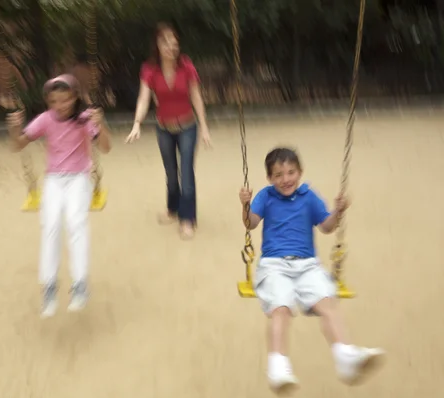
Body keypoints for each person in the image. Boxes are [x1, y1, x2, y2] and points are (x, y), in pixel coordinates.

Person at [239, 147, 385, 393]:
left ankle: (346, 357)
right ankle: (278, 367)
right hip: (274, 265)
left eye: (291, 172)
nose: (286, 179)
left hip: (308, 265)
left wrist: (338, 211)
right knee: (281, 309)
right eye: (278, 175)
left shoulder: (309, 196)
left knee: (328, 304)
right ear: (269, 179)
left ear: (300, 172)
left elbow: (326, 227)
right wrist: (245, 205)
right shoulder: (265, 196)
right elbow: (250, 223)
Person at [6, 74, 112, 318]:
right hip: (54, 179)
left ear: (74, 98)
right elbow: (17, 145)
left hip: (79, 179)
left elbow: (105, 148)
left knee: (75, 222)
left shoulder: (84, 120)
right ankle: (49, 287)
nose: (60, 106)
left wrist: (101, 123)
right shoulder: (45, 119)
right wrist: (14, 128)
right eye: (54, 101)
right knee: (51, 224)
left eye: (65, 100)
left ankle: (80, 285)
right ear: (49, 102)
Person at [125, 22, 212, 240]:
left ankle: (187, 218)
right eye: (165, 42)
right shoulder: (149, 69)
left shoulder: (186, 66)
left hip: (187, 127)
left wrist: (204, 128)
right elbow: (144, 98)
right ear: (157, 44)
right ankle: (173, 209)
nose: (171, 46)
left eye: (174, 42)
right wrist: (137, 123)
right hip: (164, 128)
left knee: (186, 172)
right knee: (171, 174)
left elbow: (196, 97)